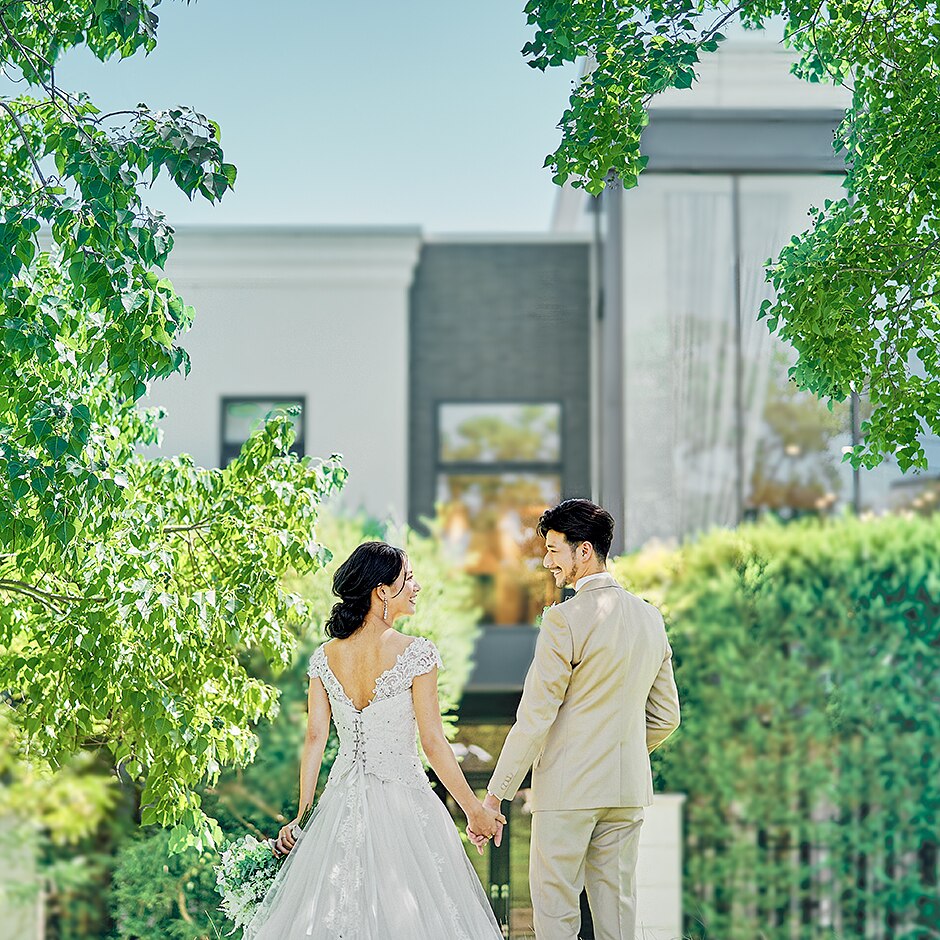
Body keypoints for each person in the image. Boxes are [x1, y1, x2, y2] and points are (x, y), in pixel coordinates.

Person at [242, 541, 505, 939]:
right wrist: (474, 810)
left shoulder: (325, 656)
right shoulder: (417, 653)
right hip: (406, 804)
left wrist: (303, 816)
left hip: (339, 806)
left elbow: (315, 739)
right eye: (408, 578)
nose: (416, 587)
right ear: (382, 590)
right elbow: (433, 743)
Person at [471, 499, 681, 940]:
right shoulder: (651, 618)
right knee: (618, 917)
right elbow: (666, 716)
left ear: (584, 551)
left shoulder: (563, 620)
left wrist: (495, 796)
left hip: (568, 789)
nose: (547, 561)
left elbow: (535, 717)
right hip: (626, 788)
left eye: (553, 550)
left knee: (556, 914)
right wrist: (617, 749)